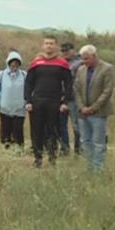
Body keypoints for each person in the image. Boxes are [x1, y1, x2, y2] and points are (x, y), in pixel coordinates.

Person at [24, 36, 73, 168]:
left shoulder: (62, 64)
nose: (49, 46)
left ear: (56, 46)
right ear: (43, 46)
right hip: (37, 101)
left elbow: (69, 83)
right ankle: (38, 158)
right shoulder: (36, 63)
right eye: (46, 43)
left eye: (51, 43)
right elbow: (28, 83)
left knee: (53, 131)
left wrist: (65, 102)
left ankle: (52, 158)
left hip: (55, 102)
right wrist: (28, 100)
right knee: (37, 131)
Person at [73, 45, 115, 171]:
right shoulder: (81, 70)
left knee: (98, 143)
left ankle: (98, 169)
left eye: (86, 59)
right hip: (83, 113)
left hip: (98, 113)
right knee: (85, 141)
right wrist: (81, 107)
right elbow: (77, 89)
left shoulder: (107, 69)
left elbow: (107, 91)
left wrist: (93, 107)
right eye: (82, 59)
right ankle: (89, 167)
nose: (84, 62)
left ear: (94, 56)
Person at [0, 51, 27, 150]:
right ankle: (6, 150)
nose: (14, 65)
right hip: (4, 109)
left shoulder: (24, 75)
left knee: (18, 130)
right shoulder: (1, 74)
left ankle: (19, 150)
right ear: (8, 63)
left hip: (19, 109)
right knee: (5, 130)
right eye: (12, 63)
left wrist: (26, 102)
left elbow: (28, 90)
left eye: (17, 63)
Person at [59, 42, 81, 155]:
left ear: (73, 50)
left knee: (76, 124)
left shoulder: (80, 63)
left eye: (67, 50)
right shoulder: (61, 62)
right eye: (63, 51)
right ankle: (64, 148)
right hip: (60, 98)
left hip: (73, 98)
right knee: (61, 124)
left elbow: (77, 83)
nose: (65, 53)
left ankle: (78, 149)